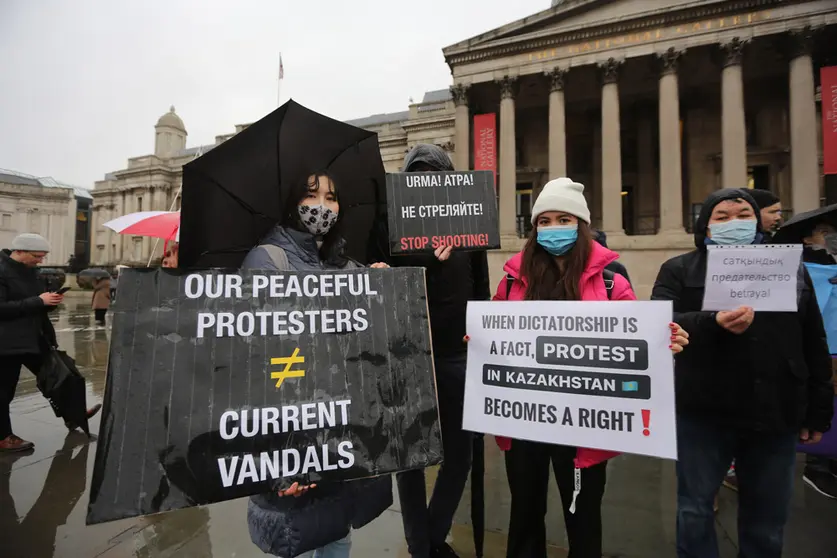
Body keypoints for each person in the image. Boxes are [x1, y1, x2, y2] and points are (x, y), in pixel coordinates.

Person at [492, 178, 689, 558]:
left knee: (582, 517)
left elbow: (637, 343)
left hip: (584, 421)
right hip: (525, 416)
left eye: (563, 218)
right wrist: (482, 342)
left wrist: (667, 341)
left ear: (580, 224)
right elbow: (498, 330)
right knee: (524, 514)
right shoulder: (514, 280)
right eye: (543, 221)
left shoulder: (613, 282)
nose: (552, 229)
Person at [651, 189, 833, 558]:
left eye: (743, 214)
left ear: (757, 221)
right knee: (694, 509)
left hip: (775, 409)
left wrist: (818, 407)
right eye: (722, 217)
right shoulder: (679, 269)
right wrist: (712, 323)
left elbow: (812, 336)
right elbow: (659, 322)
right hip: (704, 410)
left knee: (767, 518)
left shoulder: (791, 268)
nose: (734, 223)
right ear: (705, 226)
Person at [242, 171, 392, 558]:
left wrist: (383, 291)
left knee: (336, 541)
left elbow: (374, 353)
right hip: (292, 457)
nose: (322, 206)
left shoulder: (348, 267)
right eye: (311, 195)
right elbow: (251, 366)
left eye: (331, 197)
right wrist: (276, 464)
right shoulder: (266, 260)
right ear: (293, 201)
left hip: (340, 453)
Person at [380, 144, 490, 558]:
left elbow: (480, 291)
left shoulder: (470, 232)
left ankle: (430, 535)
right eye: (417, 176)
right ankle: (419, 546)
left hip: (456, 359)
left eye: (434, 175)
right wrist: (426, 260)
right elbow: (385, 289)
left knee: (461, 457)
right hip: (409, 357)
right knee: (410, 459)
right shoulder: (393, 234)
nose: (425, 183)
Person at [0, 233, 101, 452]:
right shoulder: (1, 270)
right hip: (6, 343)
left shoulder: (31, 272)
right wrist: (38, 301)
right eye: (37, 256)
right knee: (3, 391)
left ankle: (73, 414)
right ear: (20, 251)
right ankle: (4, 437)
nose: (40, 261)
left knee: (62, 375)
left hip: (35, 337)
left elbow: (37, 305)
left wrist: (49, 302)